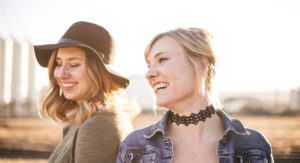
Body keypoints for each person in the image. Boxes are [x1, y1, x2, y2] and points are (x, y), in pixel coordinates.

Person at [117, 28, 274, 163]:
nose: (149, 74)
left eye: (162, 59)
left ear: (201, 64)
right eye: (149, 65)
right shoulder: (134, 147)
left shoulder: (254, 145)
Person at [34, 21, 134, 163]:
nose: (61, 74)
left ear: (99, 72)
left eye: (74, 64)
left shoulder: (98, 127)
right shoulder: (84, 121)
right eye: (58, 63)